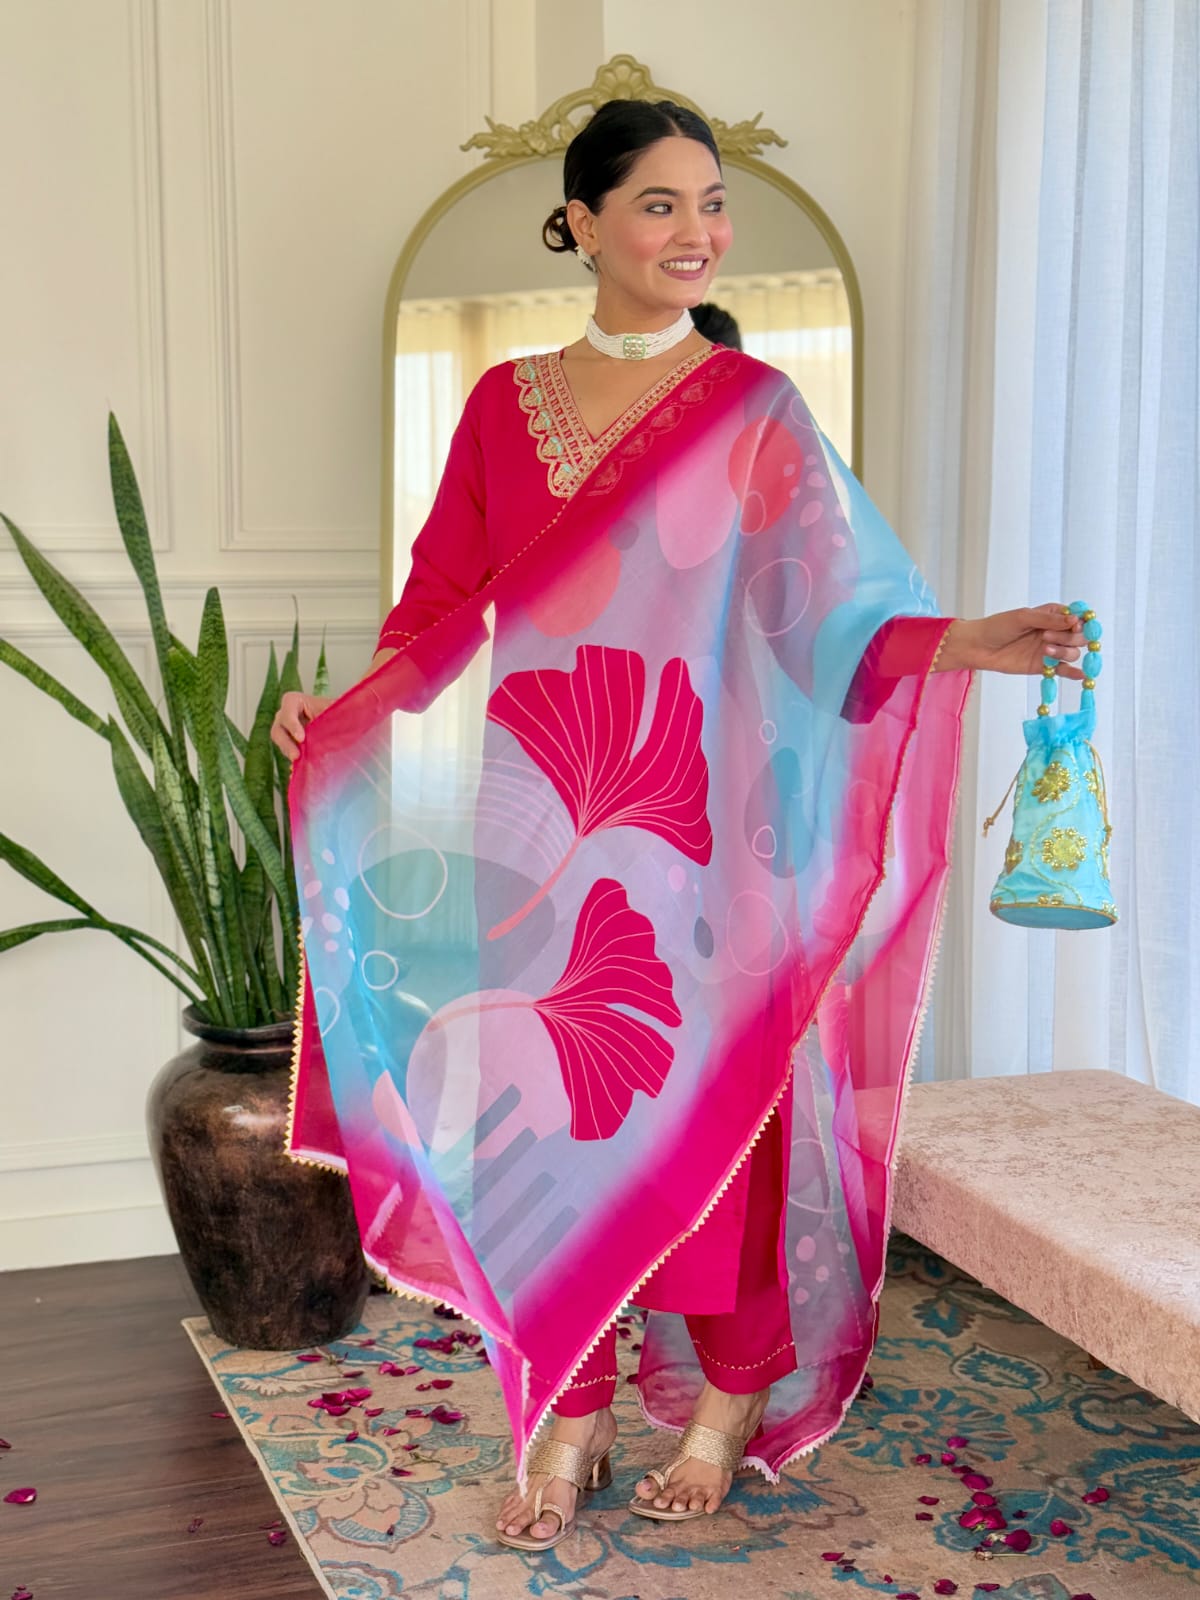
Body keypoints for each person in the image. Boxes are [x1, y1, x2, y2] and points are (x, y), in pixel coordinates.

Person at [272, 98, 1084, 1555]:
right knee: (552, 1109)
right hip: (538, 815)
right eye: (660, 205)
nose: (698, 233)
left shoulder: (754, 408)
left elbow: (820, 616)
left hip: (709, 821)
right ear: (579, 222)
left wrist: (962, 644)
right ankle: (567, 1410)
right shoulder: (501, 403)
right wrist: (352, 714)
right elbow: (439, 605)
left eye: (713, 205)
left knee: (715, 1123)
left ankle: (723, 1408)